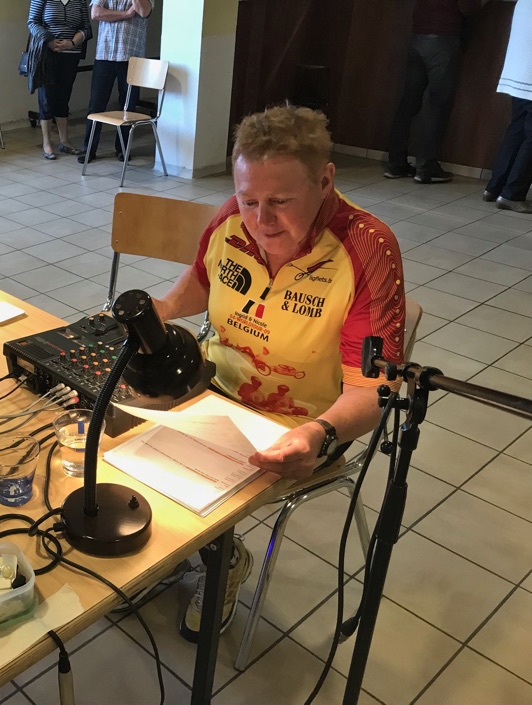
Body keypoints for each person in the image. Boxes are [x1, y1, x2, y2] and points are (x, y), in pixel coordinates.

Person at [152, 104, 406, 641]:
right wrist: (165, 309)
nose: (261, 220)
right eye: (249, 200)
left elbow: (375, 389)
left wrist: (320, 433)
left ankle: (221, 559)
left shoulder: (366, 246)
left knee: (198, 475)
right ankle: (187, 548)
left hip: (304, 419)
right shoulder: (233, 216)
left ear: (325, 180)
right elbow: (202, 279)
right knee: (113, 426)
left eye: (281, 202)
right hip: (216, 384)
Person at [384, 0, 484, 184]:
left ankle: (395, 162)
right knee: (437, 104)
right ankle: (426, 167)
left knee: (408, 104)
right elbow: (469, 8)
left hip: (418, 37)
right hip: (442, 40)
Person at [77, 0, 154, 165]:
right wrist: (126, 14)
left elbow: (144, 11)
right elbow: (96, 13)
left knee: (128, 107)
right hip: (105, 55)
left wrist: (113, 14)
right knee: (96, 106)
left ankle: (123, 148)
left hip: (132, 58)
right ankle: (89, 149)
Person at [483, 0, 532, 214]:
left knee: (517, 128)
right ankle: (512, 194)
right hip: (529, 74)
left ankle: (494, 187)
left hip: (518, 71)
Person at [27, 0, 92, 160]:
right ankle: (47, 143)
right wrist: (49, 40)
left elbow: (86, 28)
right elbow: (32, 22)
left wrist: (72, 43)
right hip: (47, 55)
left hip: (71, 55)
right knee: (46, 99)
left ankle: (65, 142)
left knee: (63, 98)